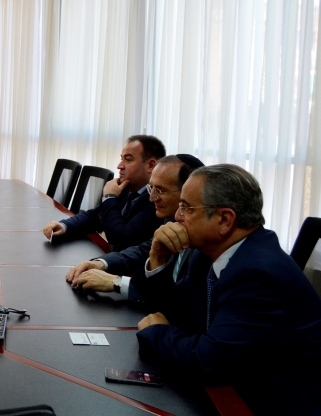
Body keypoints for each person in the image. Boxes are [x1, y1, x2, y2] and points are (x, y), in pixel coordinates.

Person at [135, 164, 321, 414]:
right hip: (233, 386)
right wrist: (158, 257)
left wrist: (156, 332)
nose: (177, 217)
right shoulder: (208, 255)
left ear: (224, 220)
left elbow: (209, 361)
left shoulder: (257, 273)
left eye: (186, 208)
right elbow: (173, 310)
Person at [65, 154, 204, 300]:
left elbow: (181, 300)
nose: (152, 198)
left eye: (161, 190)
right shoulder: (171, 218)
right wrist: (102, 263)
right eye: (151, 188)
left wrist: (117, 282)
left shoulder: (204, 239)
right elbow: (144, 251)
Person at [43, 135, 165, 251]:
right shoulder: (126, 188)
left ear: (150, 165)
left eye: (128, 160)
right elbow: (94, 217)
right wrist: (64, 226)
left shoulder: (156, 201)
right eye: (121, 159)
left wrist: (110, 197)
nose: (119, 166)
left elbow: (120, 240)